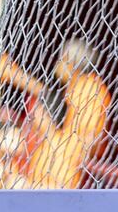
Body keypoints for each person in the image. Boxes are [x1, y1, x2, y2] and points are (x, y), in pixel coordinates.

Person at [22, 39, 111, 189]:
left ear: (73, 64)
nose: (57, 64)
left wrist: (46, 127)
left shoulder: (89, 88)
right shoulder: (75, 87)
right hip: (49, 170)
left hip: (61, 175)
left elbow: (87, 140)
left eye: (62, 59)